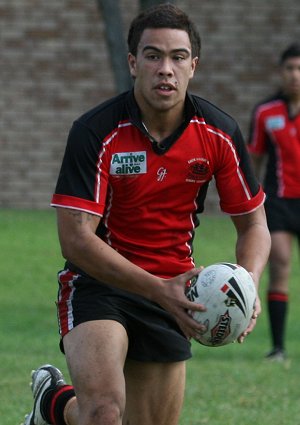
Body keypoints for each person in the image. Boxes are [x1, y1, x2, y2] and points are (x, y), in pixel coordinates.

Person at [23, 4, 271, 425]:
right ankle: (60, 402)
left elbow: (254, 224)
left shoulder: (219, 134)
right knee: (104, 414)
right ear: (133, 63)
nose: (165, 69)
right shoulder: (95, 131)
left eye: (177, 57)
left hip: (177, 292)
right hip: (100, 283)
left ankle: (53, 406)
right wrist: (157, 289)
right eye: (153, 56)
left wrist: (246, 285)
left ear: (193, 66)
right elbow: (76, 239)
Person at [248, 43, 300, 361]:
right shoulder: (266, 112)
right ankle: (278, 347)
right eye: (290, 69)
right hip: (279, 201)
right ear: (281, 73)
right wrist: (250, 198)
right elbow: (254, 158)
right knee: (279, 264)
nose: (295, 75)